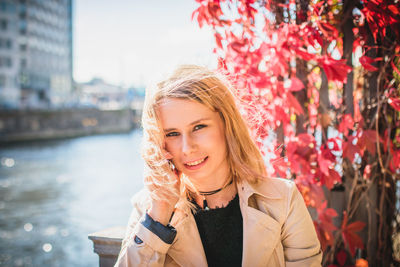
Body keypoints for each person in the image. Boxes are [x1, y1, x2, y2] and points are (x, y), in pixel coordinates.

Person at [115, 65, 322, 267]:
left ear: (227, 124)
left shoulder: (283, 200)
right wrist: (160, 216)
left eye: (199, 127)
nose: (187, 148)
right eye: (172, 133)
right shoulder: (149, 209)